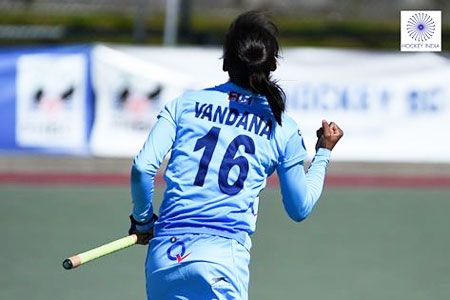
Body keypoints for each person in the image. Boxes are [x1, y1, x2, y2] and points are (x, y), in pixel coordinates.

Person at [128, 11, 343, 300]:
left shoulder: (185, 104)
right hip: (222, 259)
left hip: (165, 257)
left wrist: (142, 222)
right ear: (273, 64)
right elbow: (299, 207)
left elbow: (143, 168)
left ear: (226, 62)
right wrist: (323, 154)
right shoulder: (282, 127)